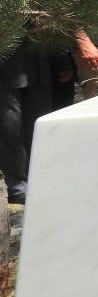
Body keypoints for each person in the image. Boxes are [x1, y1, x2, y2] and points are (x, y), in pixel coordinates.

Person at [0, 40, 68, 205]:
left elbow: (53, 24)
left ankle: (41, 177)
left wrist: (62, 61)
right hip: (5, 68)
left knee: (39, 126)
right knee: (10, 130)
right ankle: (17, 185)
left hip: (40, 67)